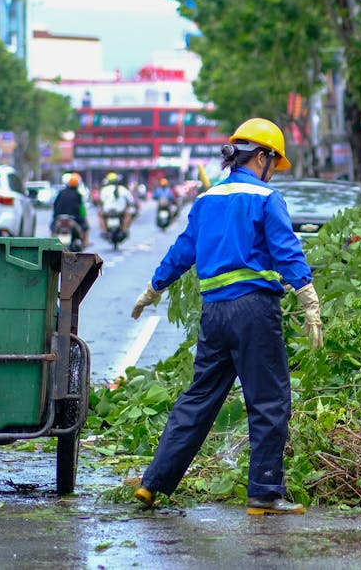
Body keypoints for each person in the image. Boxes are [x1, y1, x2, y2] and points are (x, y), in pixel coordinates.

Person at [129, 118, 323, 514]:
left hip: (214, 314)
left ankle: (152, 484)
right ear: (264, 156)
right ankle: (265, 494)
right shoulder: (267, 198)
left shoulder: (206, 200)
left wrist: (154, 288)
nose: (273, 168)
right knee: (269, 400)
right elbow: (286, 250)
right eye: (274, 160)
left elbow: (184, 250)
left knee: (199, 398)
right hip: (254, 311)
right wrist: (309, 299)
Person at [50, 174, 91, 247]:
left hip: (59, 217)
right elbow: (81, 209)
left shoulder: (61, 193)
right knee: (86, 227)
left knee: (52, 229)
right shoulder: (78, 194)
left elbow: (55, 205)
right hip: (74, 217)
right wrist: (83, 217)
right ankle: (86, 242)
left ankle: (50, 245)